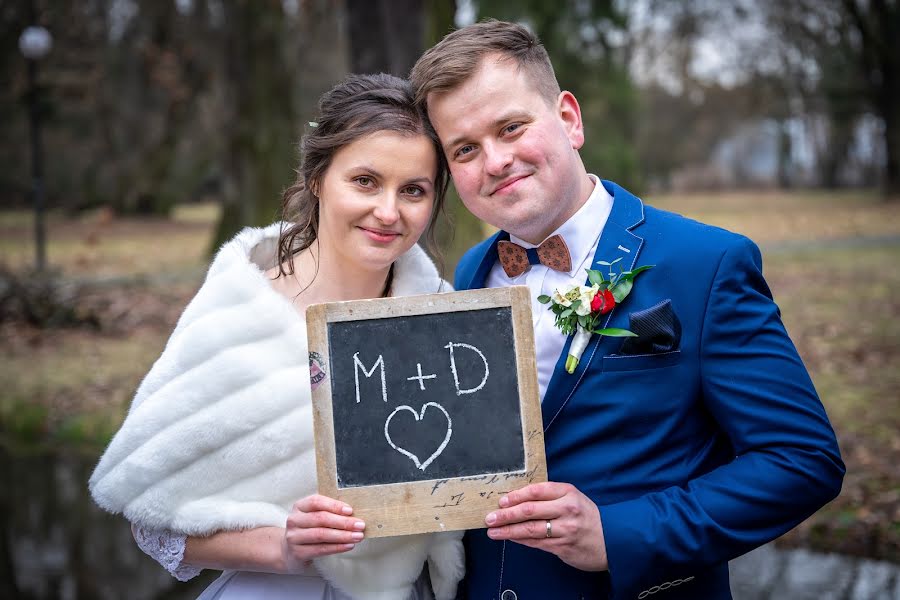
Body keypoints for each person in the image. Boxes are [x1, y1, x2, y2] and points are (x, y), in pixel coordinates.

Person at [409, 20, 845, 600]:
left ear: (569, 119)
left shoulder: (706, 264)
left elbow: (802, 459)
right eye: (465, 149)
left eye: (511, 128)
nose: (494, 161)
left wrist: (619, 535)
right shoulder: (471, 273)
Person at [89, 73, 464, 600]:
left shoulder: (447, 317)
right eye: (364, 180)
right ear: (317, 177)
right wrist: (285, 546)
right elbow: (152, 523)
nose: (388, 211)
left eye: (413, 190)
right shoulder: (239, 313)